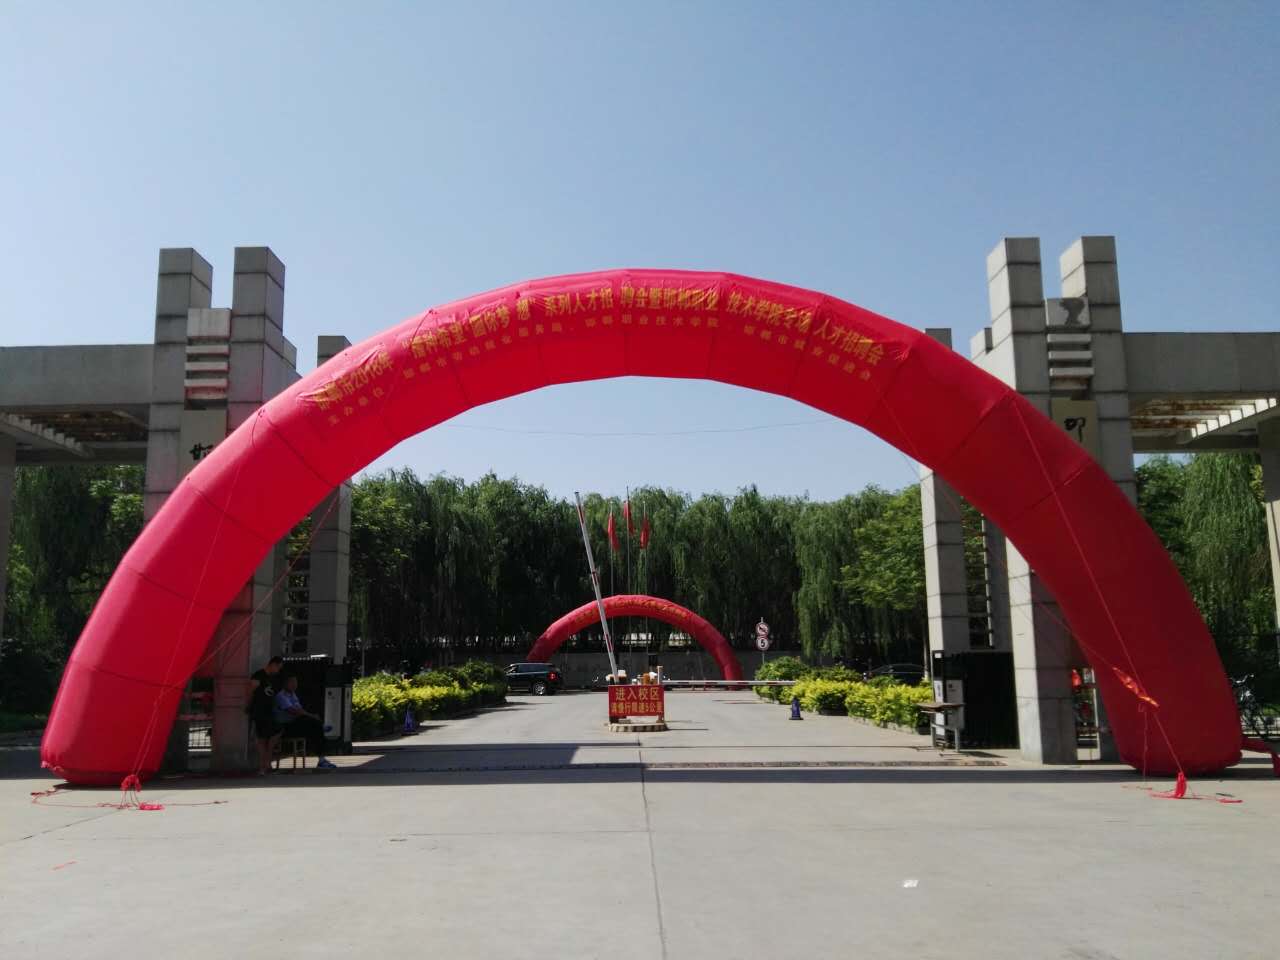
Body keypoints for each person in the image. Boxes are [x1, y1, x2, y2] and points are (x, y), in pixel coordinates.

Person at [274, 674, 337, 769]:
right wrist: (311, 716)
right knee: (314, 725)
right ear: (285, 684)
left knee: (315, 729)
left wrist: (310, 715)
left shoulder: (293, 695)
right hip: (285, 727)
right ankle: (322, 758)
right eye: (292, 682)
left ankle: (322, 759)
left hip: (295, 723)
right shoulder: (281, 696)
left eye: (295, 682)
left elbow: (300, 710)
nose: (294, 685)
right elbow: (294, 711)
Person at [248, 656, 284, 776]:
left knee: (273, 734)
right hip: (260, 711)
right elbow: (250, 691)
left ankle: (266, 763)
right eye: (278, 667)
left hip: (269, 711)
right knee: (262, 739)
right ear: (273, 665)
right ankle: (263, 766)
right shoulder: (259, 675)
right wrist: (249, 705)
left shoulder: (273, 678)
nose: (278, 670)